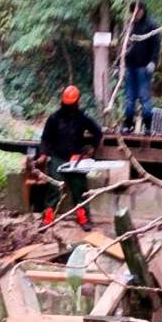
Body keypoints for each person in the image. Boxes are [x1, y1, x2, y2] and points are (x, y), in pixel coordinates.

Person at [38, 85, 103, 231]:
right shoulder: (54, 118)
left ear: (77, 102)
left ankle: (83, 216)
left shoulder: (82, 118)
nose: (69, 107)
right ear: (62, 102)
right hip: (58, 156)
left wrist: (92, 148)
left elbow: (97, 132)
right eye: (67, 104)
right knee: (55, 185)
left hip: (76, 158)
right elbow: (45, 138)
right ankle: (48, 216)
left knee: (79, 185)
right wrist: (43, 154)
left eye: (71, 105)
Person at [121, 0, 159, 135]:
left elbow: (156, 46)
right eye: (134, 11)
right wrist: (120, 65)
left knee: (145, 97)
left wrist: (153, 62)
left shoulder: (151, 25)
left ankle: (148, 126)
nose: (136, 13)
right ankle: (128, 124)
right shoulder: (130, 26)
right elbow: (124, 47)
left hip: (144, 67)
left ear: (143, 10)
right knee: (129, 98)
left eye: (138, 11)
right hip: (130, 66)